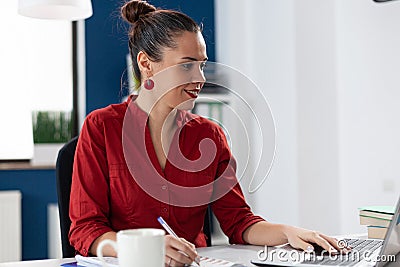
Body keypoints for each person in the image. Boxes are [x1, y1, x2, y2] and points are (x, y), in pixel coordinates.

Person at [69, 1, 346, 266]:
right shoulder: (101, 127)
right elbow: (85, 230)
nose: (200, 77)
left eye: (201, 64)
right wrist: (144, 248)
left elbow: (238, 222)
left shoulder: (209, 135)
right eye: (187, 64)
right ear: (146, 63)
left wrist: (288, 232)